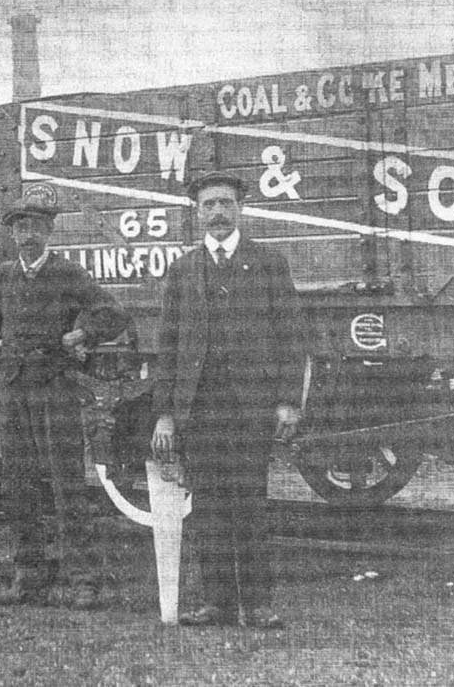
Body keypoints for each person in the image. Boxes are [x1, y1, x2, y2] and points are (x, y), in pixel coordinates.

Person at [0, 186, 130, 609]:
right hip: (12, 386)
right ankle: (29, 577)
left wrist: (81, 332)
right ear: (13, 236)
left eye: (36, 227)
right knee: (19, 485)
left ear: (49, 231)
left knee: (67, 484)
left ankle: (83, 580)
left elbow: (113, 313)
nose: (28, 235)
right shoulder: (4, 275)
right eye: (21, 228)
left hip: (56, 386)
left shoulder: (68, 274)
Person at [149, 171, 307, 628]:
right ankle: (217, 603)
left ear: (241, 209)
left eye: (225, 203)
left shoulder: (269, 263)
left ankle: (257, 605)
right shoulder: (183, 270)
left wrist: (287, 402)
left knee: (250, 507)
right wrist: (165, 414)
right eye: (208, 205)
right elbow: (169, 346)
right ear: (197, 213)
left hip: (250, 409)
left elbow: (291, 337)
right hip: (200, 410)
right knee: (209, 509)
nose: (217, 212)